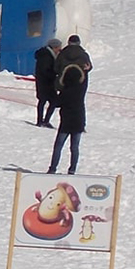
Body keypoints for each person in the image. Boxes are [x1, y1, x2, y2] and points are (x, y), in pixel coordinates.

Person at [49, 35, 91, 174]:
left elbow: (56, 68)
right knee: (75, 147)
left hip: (65, 122)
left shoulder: (63, 54)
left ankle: (52, 168)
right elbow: (88, 67)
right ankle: (72, 170)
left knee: (59, 145)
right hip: (78, 120)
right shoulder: (83, 54)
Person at [32, 39, 60, 127]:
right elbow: (45, 70)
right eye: (58, 48)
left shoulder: (45, 54)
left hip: (43, 82)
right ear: (54, 47)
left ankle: (41, 120)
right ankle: (43, 121)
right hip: (46, 82)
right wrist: (54, 75)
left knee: (43, 101)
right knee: (52, 101)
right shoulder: (46, 56)